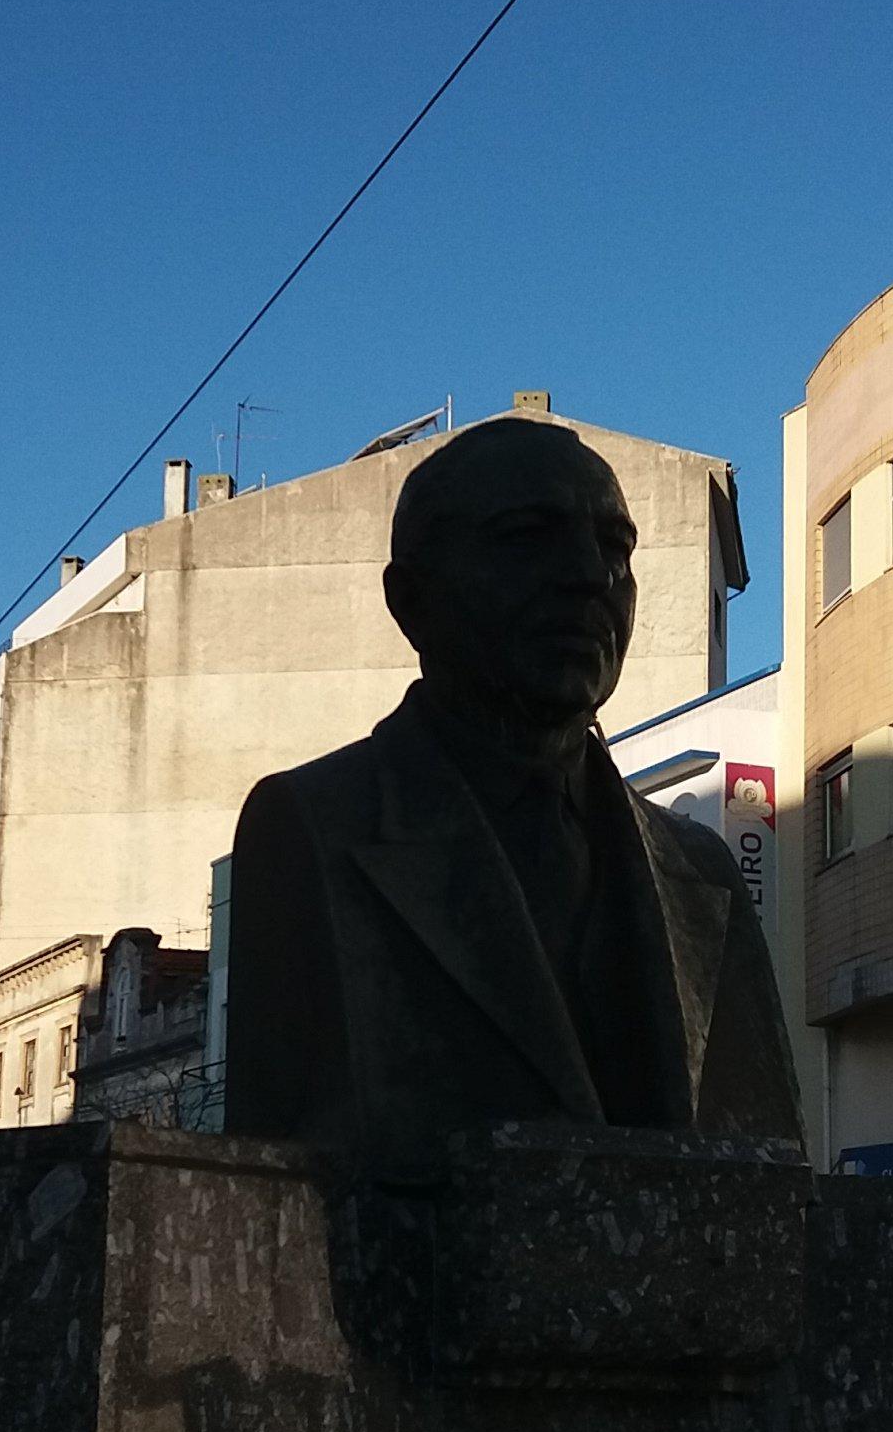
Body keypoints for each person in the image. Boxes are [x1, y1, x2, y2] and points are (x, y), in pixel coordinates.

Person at [224, 417, 800, 1169]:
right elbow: (269, 1197)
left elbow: (772, 1185)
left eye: (616, 548)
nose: (591, 576)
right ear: (412, 601)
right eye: (529, 537)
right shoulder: (310, 825)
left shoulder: (702, 869)